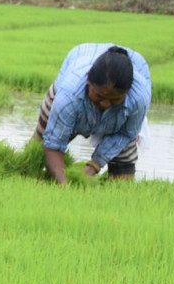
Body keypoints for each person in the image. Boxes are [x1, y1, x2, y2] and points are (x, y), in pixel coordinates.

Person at [34, 43, 151, 184]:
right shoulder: (68, 95)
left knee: (123, 176)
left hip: (120, 117)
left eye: (114, 99)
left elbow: (125, 134)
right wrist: (64, 187)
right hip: (74, 93)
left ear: (127, 92)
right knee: (38, 149)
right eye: (99, 96)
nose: (105, 104)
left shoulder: (138, 98)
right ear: (88, 81)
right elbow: (53, 145)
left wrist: (93, 166)